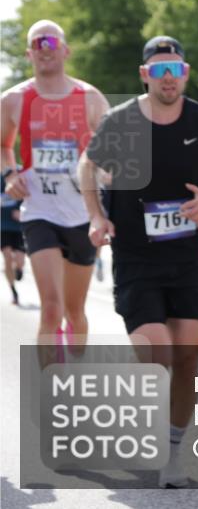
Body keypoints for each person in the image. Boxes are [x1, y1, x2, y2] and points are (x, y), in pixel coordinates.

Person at [78, 35, 198, 487]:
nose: (168, 78)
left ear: (186, 73)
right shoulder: (121, 121)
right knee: (157, 352)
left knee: (188, 357)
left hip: (187, 255)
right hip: (135, 255)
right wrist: (97, 216)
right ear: (145, 75)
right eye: (159, 70)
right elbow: (87, 166)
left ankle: (172, 454)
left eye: (175, 70)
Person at [1, 20, 109, 355]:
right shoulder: (14, 99)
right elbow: (3, 146)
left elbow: (113, 150)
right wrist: (9, 174)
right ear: (29, 52)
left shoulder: (89, 97)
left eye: (51, 42)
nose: (44, 49)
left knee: (75, 313)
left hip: (81, 213)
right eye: (38, 43)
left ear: (65, 50)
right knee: (51, 309)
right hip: (39, 211)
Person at [1, 170, 26, 304]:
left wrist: (21, 209)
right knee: (7, 257)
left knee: (20, 260)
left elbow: (30, 195)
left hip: (18, 226)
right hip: (2, 226)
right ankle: (13, 291)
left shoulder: (18, 172)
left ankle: (20, 268)